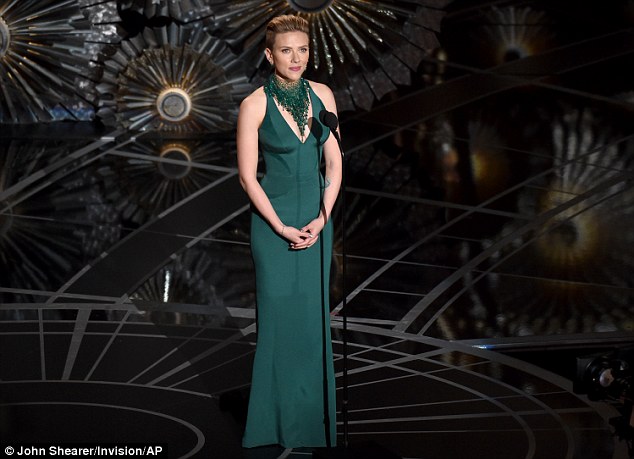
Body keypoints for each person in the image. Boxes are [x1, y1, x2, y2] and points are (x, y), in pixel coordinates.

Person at [236, 14, 342, 450]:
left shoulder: (323, 95)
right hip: (272, 224)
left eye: (303, 49)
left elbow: (334, 162)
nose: (296, 58)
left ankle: (312, 421)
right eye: (286, 50)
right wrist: (281, 227)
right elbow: (247, 178)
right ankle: (272, 425)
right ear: (269, 55)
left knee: (312, 322)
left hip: (317, 220)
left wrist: (323, 216)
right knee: (279, 322)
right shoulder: (254, 105)